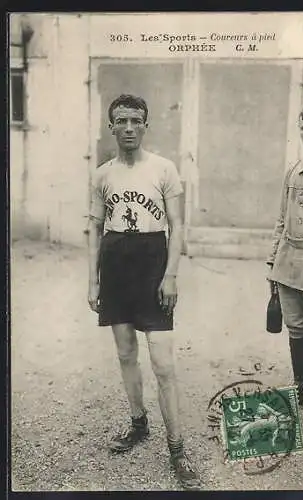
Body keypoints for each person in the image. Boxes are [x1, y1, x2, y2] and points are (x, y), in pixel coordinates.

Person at [87, 94, 201, 490]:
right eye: (122, 120)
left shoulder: (164, 168)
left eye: (137, 120)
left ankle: (177, 447)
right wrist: (93, 280)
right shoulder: (102, 175)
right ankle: (138, 423)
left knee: (164, 363)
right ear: (111, 126)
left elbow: (178, 226)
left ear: (146, 125)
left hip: (153, 264)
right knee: (125, 353)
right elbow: (96, 231)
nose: (130, 127)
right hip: (116, 265)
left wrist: (170, 276)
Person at [267, 100, 303, 436]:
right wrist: (272, 261)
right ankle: (299, 386)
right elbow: (280, 220)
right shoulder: (293, 171)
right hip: (289, 266)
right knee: (296, 329)